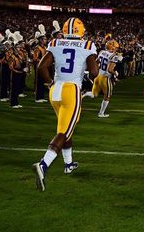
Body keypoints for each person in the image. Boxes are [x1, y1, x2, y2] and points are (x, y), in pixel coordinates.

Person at [32, 17, 98, 192]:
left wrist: (49, 83)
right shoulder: (87, 45)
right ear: (80, 30)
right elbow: (94, 72)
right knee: (64, 131)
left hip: (56, 90)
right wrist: (91, 77)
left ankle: (68, 164)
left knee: (65, 127)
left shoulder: (55, 42)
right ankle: (43, 165)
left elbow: (41, 67)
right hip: (71, 90)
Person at [89, 39, 120, 118]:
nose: (116, 49)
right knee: (107, 96)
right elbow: (110, 70)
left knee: (94, 94)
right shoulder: (114, 56)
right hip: (105, 78)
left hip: (98, 76)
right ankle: (101, 113)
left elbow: (97, 62)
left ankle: (85, 93)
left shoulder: (101, 52)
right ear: (112, 47)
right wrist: (115, 73)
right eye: (115, 47)